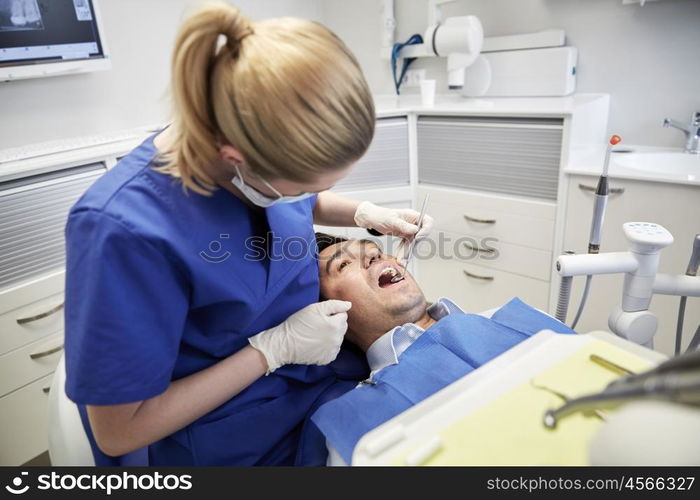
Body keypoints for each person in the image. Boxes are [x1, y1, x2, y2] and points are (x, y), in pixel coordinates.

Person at [63, 4, 433, 466]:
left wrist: (363, 213)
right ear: (234, 155)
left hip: (316, 380)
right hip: (222, 437)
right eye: (308, 185)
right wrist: (270, 351)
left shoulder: (247, 151)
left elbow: (290, 199)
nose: (317, 196)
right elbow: (119, 432)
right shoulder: (122, 233)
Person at [309, 233, 575, 465]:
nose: (373, 257)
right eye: (343, 265)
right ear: (327, 314)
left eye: (375, 251)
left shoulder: (521, 318)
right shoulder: (359, 424)